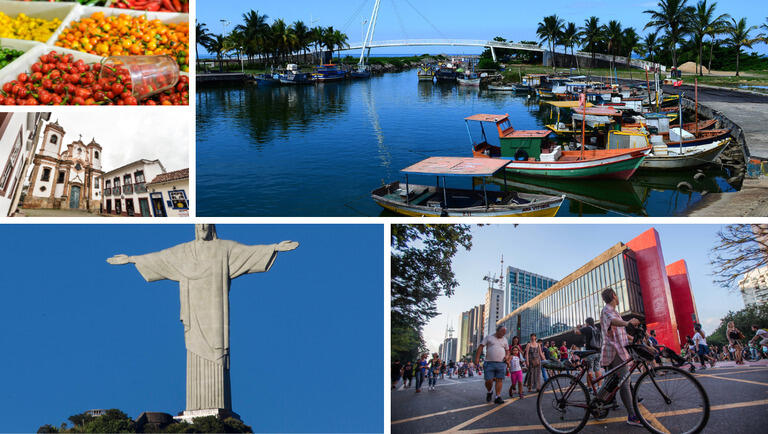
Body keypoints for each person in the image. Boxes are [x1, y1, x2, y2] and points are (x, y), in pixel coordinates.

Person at [599, 287, 643, 427]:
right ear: (613, 295)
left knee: (611, 383)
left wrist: (635, 338)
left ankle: (596, 403)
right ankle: (632, 415)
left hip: (620, 350)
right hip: (614, 351)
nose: (618, 297)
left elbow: (621, 333)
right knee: (624, 382)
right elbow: (612, 322)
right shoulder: (607, 310)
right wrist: (628, 323)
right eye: (617, 295)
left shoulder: (615, 312)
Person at [475, 325, 510, 404]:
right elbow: (481, 347)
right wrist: (477, 359)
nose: (503, 334)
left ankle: (498, 396)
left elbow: (507, 351)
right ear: (497, 331)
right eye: (502, 332)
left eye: (504, 333)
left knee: (499, 379)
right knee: (489, 380)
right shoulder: (489, 337)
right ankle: (490, 391)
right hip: (489, 362)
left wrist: (507, 356)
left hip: (501, 363)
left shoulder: (505, 340)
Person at [573, 317, 603, 392]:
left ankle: (590, 388)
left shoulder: (588, 328)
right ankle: (599, 386)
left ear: (587, 323)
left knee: (589, 370)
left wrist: (576, 327)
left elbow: (577, 332)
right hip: (598, 351)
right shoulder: (597, 329)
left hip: (590, 352)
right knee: (597, 369)